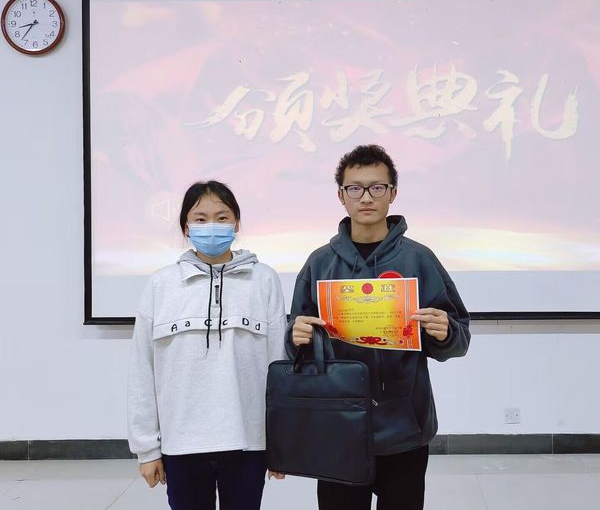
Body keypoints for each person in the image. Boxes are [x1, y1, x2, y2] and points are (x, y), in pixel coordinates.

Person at [288, 144, 471, 510]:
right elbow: (296, 341)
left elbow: (459, 337)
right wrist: (295, 338)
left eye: (377, 187)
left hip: (405, 426)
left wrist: (445, 332)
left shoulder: (418, 259)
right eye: (355, 188)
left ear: (393, 193)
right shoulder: (319, 263)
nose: (366, 197)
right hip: (339, 426)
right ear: (341, 195)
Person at [127, 180, 287, 510]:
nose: (211, 226)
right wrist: (147, 450)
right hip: (181, 444)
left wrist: (282, 444)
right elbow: (143, 371)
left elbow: (279, 368)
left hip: (248, 442)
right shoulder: (161, 285)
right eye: (200, 219)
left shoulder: (264, 280)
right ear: (186, 227)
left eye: (222, 217)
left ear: (237, 224)